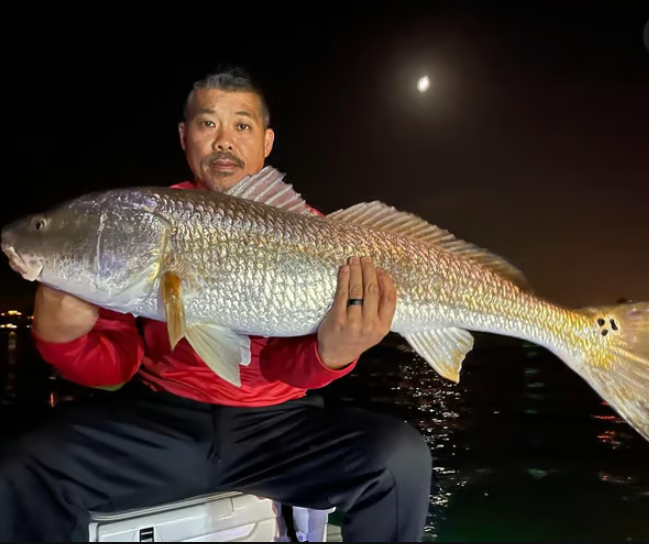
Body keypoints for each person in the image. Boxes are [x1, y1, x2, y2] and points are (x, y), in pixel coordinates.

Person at [0, 69, 432, 542]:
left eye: (242, 126)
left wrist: (334, 354)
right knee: (24, 464)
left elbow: (285, 365)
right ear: (185, 137)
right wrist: (62, 339)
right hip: (164, 424)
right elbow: (118, 366)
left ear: (266, 142)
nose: (224, 141)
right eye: (208, 125)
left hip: (280, 433)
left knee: (399, 461)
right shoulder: (145, 221)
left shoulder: (318, 235)